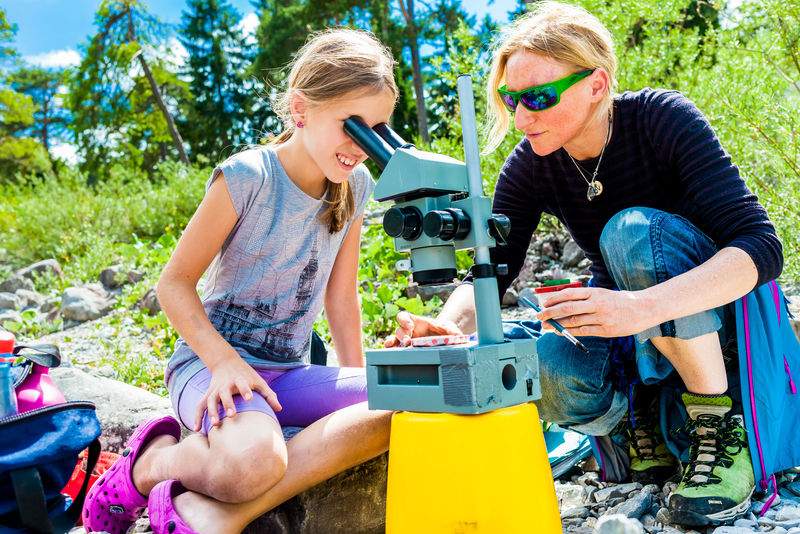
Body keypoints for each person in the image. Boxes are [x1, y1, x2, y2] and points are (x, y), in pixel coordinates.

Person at [385, 2, 783, 527]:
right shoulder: (531, 162)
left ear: (597, 84)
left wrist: (641, 307)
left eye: (539, 98)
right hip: (631, 324)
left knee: (630, 232)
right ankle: (636, 420)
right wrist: (446, 326)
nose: (521, 117)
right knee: (541, 363)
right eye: (511, 98)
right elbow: (493, 267)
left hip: (716, 322)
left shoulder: (662, 120)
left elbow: (761, 244)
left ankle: (717, 431)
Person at [83, 29, 398, 534]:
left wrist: (356, 390)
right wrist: (224, 362)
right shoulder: (250, 176)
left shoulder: (356, 186)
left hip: (287, 374)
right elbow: (174, 284)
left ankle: (216, 515)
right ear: (301, 110)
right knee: (253, 461)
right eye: (354, 126)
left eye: (379, 130)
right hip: (211, 368)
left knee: (400, 402)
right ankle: (155, 462)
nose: (366, 147)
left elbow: (342, 297)